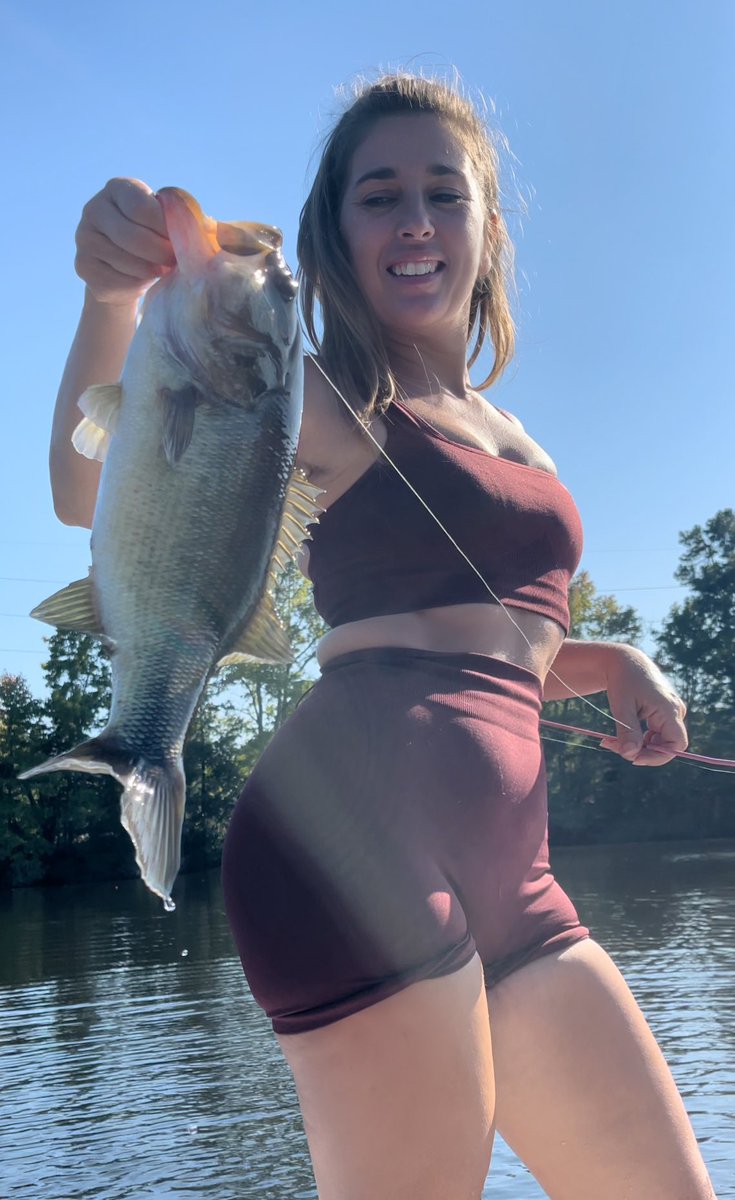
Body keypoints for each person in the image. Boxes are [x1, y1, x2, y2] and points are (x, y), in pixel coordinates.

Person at [52, 74, 715, 1200]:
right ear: (335, 233)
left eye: (443, 193)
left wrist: (623, 666)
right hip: (350, 843)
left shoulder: (520, 440)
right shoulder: (312, 395)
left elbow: (501, 661)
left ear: (486, 229)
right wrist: (112, 294)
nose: (415, 219)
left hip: (518, 876)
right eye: (380, 195)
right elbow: (86, 486)